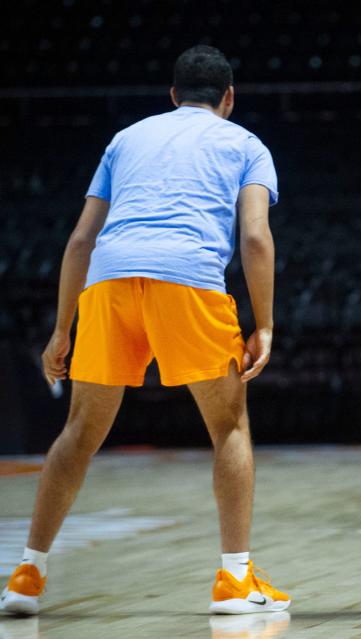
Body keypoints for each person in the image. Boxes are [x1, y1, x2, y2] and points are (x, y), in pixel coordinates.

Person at [0, 45, 289, 616]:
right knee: (229, 427)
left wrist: (62, 330)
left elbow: (80, 240)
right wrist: (268, 325)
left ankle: (27, 575)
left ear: (173, 95)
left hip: (108, 282)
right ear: (228, 98)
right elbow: (255, 239)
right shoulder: (247, 144)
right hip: (189, 280)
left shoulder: (126, 138)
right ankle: (234, 581)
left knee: (79, 431)